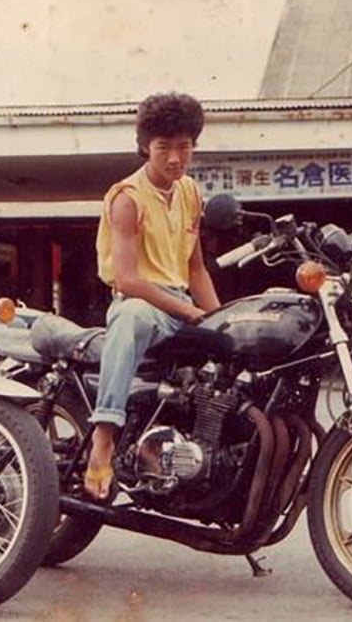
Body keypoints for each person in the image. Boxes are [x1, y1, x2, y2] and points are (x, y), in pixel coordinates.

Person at [84, 92, 221, 500]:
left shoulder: (191, 192)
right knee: (132, 318)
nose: (176, 158)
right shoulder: (128, 198)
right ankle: (103, 437)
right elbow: (126, 280)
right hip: (143, 303)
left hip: (181, 302)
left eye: (184, 147)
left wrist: (220, 321)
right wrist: (188, 311)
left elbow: (196, 267)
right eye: (164, 148)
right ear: (146, 146)